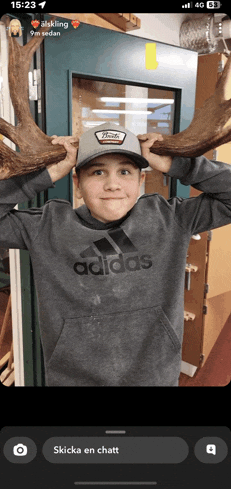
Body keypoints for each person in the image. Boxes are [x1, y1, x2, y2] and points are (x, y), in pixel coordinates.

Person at [1, 122, 231, 386]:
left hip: (155, 378)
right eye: (97, 172)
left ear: (141, 179)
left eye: (124, 171)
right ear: (77, 182)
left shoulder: (170, 219)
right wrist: (46, 174)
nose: (112, 184)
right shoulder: (47, 227)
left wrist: (178, 165)